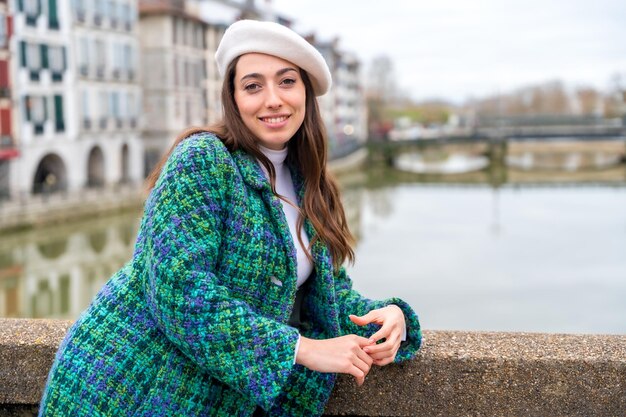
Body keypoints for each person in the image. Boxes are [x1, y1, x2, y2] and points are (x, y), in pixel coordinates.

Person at [39, 20, 422, 417]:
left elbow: (322, 295)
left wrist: (387, 319)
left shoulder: (309, 181)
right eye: (253, 86)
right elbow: (178, 289)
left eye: (287, 82)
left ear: (306, 93)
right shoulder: (203, 161)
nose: (272, 99)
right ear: (234, 99)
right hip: (128, 389)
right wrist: (301, 349)